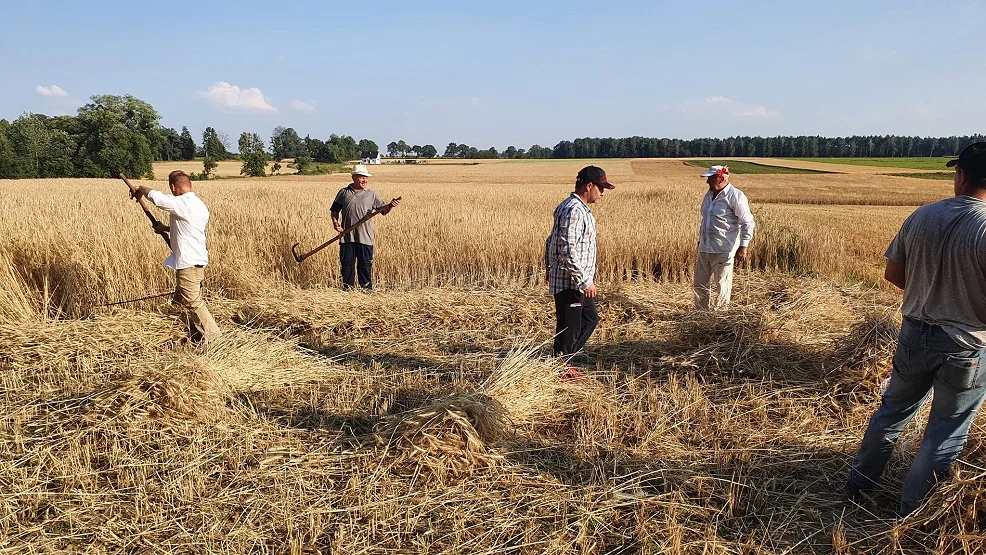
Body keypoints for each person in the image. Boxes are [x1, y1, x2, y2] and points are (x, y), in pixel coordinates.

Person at [846, 142, 986, 515]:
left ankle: (858, 486)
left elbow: (893, 274)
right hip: (965, 345)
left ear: (961, 175)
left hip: (913, 333)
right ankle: (911, 512)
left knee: (892, 411)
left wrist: (930, 290)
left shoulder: (922, 216)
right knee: (946, 429)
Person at [131, 170, 220, 346]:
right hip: (196, 261)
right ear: (191, 184)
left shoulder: (183, 203)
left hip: (188, 263)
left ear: (172, 187)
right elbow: (188, 229)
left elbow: (159, 199)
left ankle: (215, 338)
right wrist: (164, 228)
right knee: (179, 301)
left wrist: (140, 188)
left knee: (194, 302)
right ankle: (174, 331)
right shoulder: (198, 204)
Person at [545, 166, 614, 375]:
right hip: (571, 281)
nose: (602, 193)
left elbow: (551, 242)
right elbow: (567, 248)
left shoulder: (576, 207)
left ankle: (564, 360)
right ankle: (562, 367)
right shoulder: (573, 210)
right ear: (589, 185)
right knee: (570, 326)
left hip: (576, 280)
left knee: (589, 319)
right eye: (601, 188)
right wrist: (585, 281)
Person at [693, 165, 755, 311]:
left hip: (724, 249)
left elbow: (747, 222)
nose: (707, 181)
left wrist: (743, 246)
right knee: (700, 284)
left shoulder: (736, 196)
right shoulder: (709, 195)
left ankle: (720, 317)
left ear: (720, 178)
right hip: (705, 247)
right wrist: (701, 238)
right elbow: (706, 219)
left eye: (710, 178)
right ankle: (701, 315)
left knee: (722, 285)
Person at [330, 164, 400, 291]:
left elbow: (383, 211)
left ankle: (366, 290)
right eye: (362, 177)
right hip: (346, 237)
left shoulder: (371, 194)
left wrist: (390, 205)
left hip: (365, 237)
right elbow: (334, 210)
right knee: (347, 265)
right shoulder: (343, 193)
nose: (365, 180)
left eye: (366, 178)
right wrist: (336, 223)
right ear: (353, 177)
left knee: (365, 264)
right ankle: (348, 290)